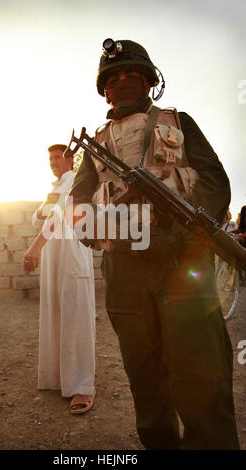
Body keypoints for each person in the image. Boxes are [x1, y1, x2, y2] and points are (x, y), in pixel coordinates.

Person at [68, 39, 240, 448]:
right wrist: (98, 227)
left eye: (133, 75)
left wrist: (182, 228)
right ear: (104, 90)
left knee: (202, 378)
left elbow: (215, 183)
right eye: (114, 79)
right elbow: (77, 203)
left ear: (150, 82)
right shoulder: (95, 145)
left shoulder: (177, 122)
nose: (123, 82)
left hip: (184, 267)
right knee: (147, 385)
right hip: (125, 272)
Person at [24, 144, 96, 414]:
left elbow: (55, 217)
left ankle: (83, 385)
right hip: (54, 257)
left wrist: (35, 247)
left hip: (72, 253)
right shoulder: (55, 187)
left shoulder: (74, 183)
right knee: (56, 313)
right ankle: (59, 378)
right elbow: (38, 216)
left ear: (71, 159)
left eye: (58, 157)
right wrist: (45, 216)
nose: (53, 162)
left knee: (76, 315)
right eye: (50, 158)